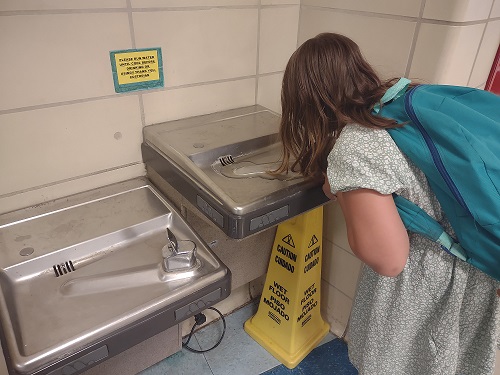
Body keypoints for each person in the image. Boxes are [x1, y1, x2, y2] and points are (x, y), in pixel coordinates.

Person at [276, 32, 500, 375]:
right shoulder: (406, 101)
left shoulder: (356, 145)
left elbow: (389, 260)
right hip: (479, 273)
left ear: (309, 100)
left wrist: (351, 203)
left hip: (425, 293)